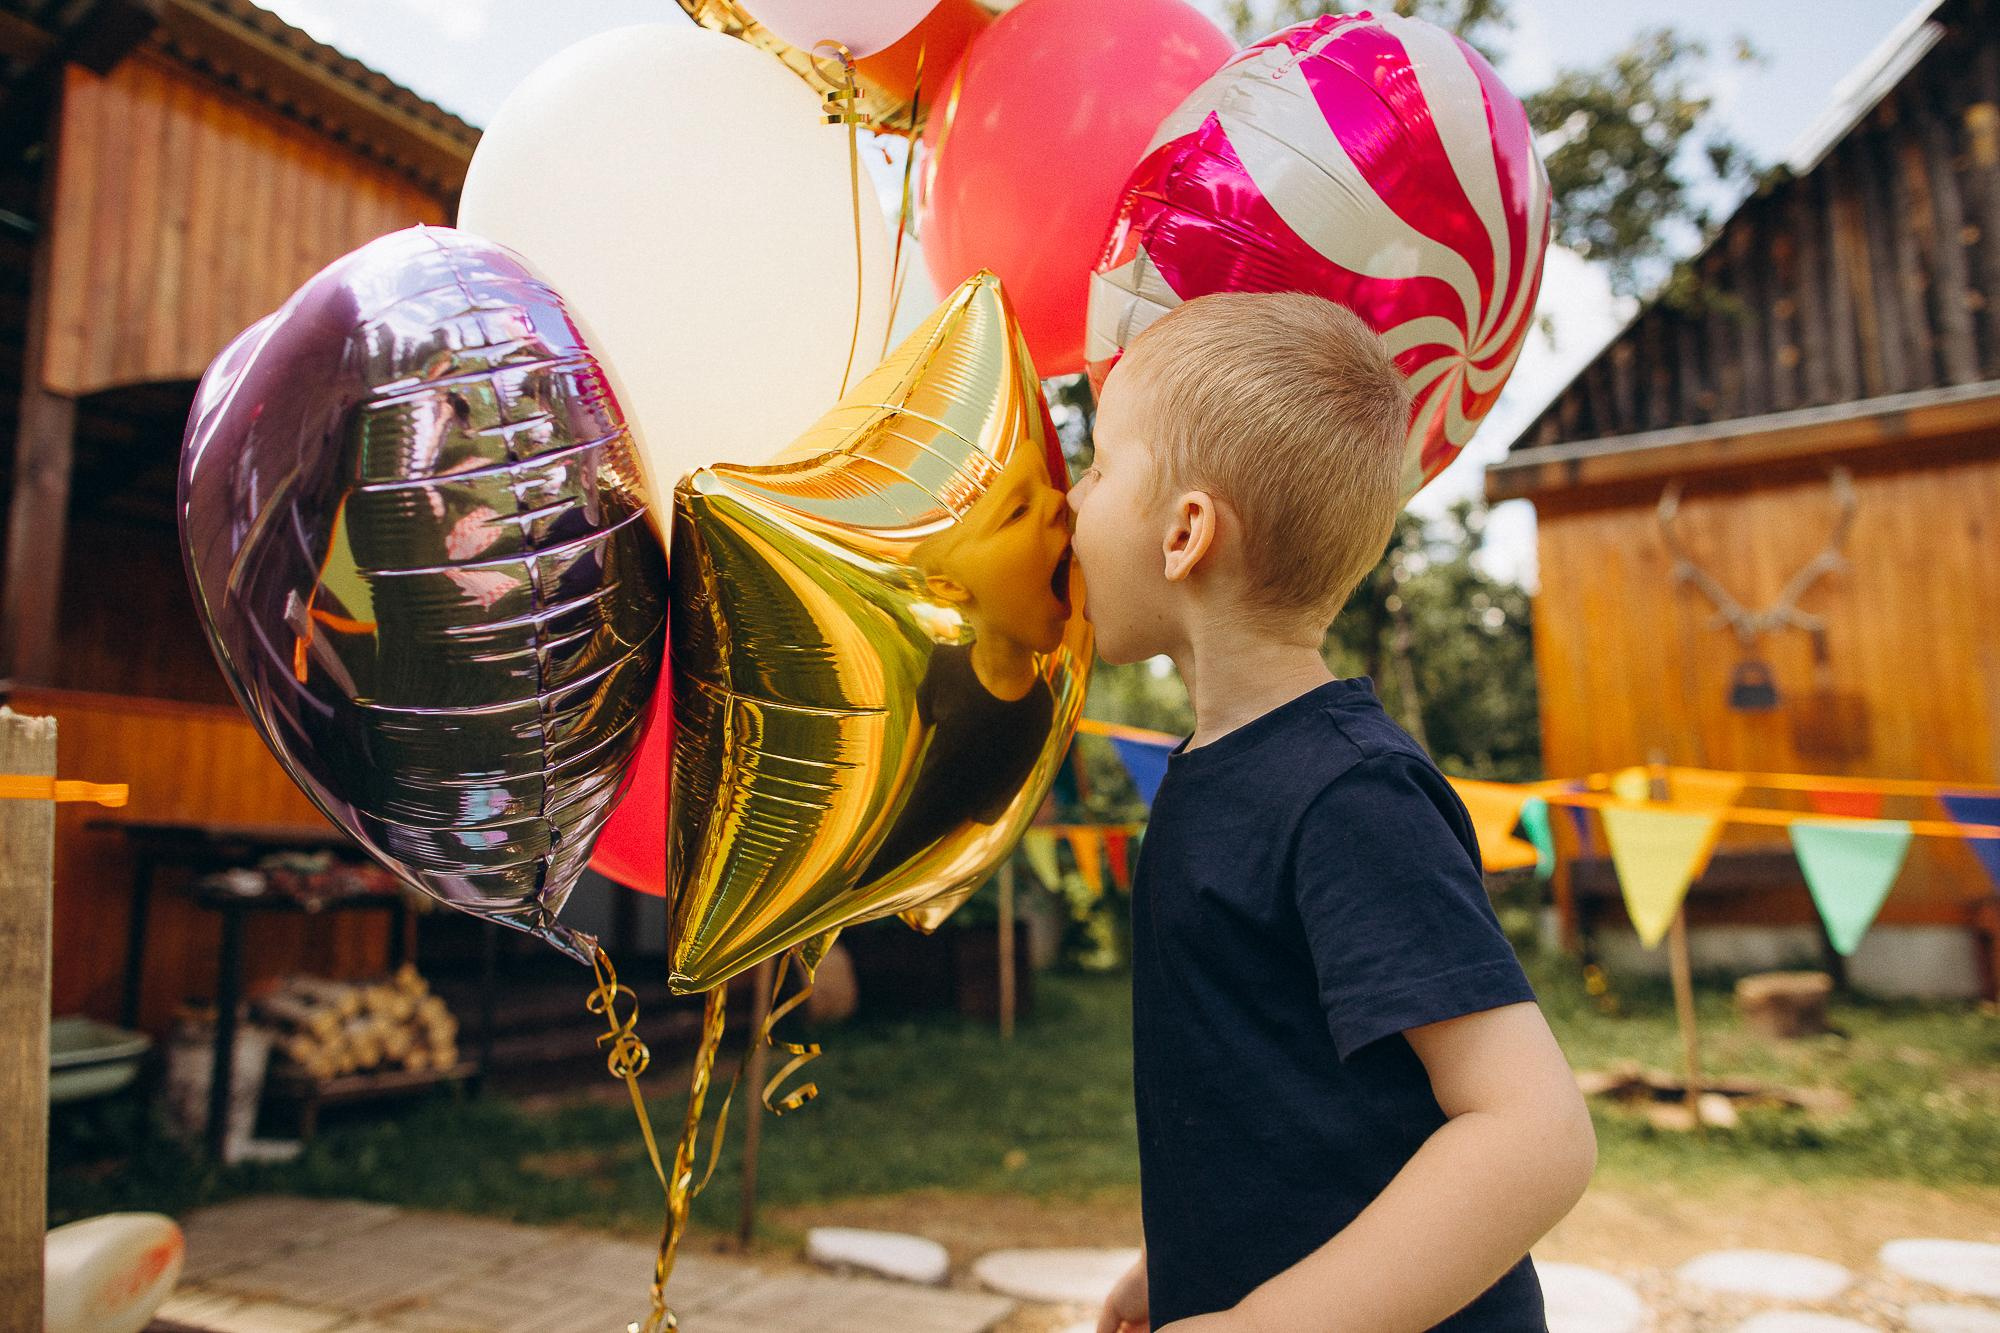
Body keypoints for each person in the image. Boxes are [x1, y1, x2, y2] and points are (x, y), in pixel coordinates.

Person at [1068, 292, 1595, 1332]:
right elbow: (1276, 1095)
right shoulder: (1212, 774)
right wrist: (1176, 1260)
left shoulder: (1345, 793)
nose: (1068, 506)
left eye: (1094, 470)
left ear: (1183, 533)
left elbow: (1533, 1133)